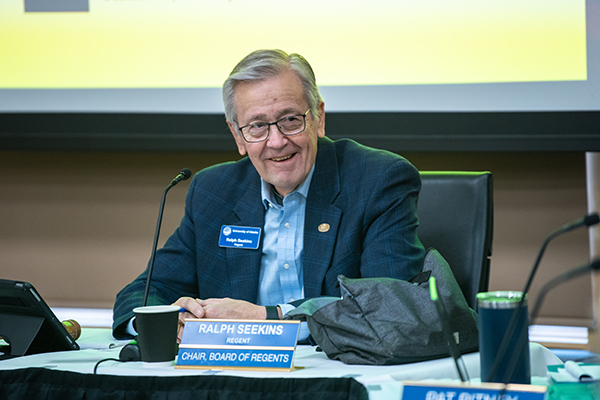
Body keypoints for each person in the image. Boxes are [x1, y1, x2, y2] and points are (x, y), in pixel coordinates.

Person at [112, 49, 425, 341]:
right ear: (238, 136)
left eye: (290, 120)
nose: (276, 142)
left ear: (318, 117)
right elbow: (145, 291)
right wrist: (169, 322)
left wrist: (267, 318)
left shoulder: (377, 180)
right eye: (257, 126)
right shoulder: (214, 192)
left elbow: (389, 305)